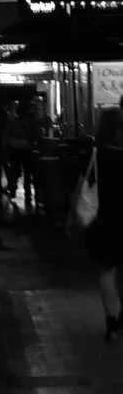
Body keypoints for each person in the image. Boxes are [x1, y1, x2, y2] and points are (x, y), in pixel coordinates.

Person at [82, 106, 123, 342]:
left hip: (104, 220)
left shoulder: (95, 155)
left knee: (107, 271)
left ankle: (111, 322)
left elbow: (82, 187)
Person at [5, 99, 42, 217]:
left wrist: (5, 147)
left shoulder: (13, 121)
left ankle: (13, 188)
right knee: (28, 172)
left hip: (14, 149)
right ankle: (28, 194)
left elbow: (7, 134)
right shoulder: (31, 122)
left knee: (15, 170)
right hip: (27, 149)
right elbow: (36, 135)